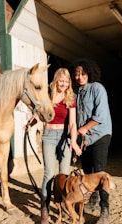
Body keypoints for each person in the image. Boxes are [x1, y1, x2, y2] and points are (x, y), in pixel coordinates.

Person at [69, 59, 112, 224]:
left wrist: (84, 128)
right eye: (77, 74)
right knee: (87, 173)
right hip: (84, 138)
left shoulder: (97, 89)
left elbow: (100, 116)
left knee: (100, 172)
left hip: (100, 134)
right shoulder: (76, 92)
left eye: (83, 73)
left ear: (89, 73)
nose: (79, 77)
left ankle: (105, 210)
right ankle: (92, 201)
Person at [40, 68, 82, 224]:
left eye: (66, 81)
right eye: (61, 81)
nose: (63, 84)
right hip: (49, 137)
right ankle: (44, 208)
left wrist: (74, 140)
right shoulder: (48, 96)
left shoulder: (70, 98)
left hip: (64, 137)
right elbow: (41, 113)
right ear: (55, 80)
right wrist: (31, 122)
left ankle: (64, 207)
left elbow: (72, 123)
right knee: (49, 174)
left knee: (64, 175)